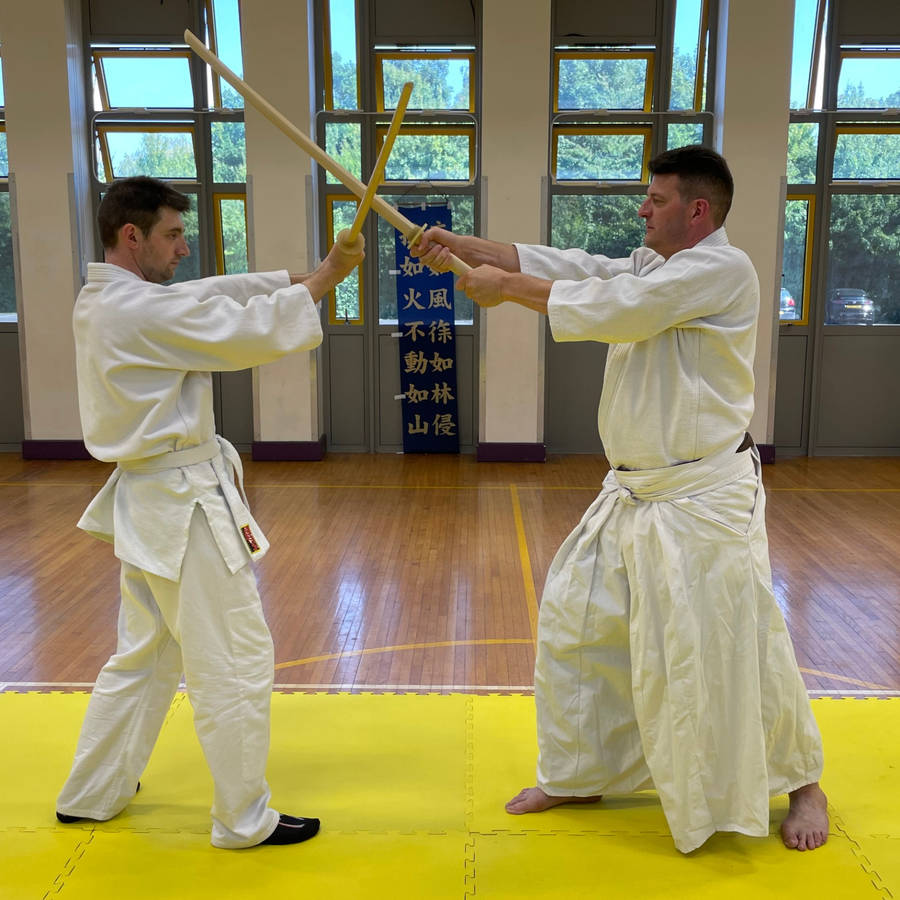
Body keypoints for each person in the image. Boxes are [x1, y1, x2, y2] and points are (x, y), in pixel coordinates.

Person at [411, 146, 828, 854]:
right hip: (632, 490)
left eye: (656, 199)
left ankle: (803, 781)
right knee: (580, 620)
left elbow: (622, 308)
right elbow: (579, 267)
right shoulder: (653, 264)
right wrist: (464, 246)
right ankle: (580, 771)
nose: (643, 209)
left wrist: (505, 287)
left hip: (700, 496)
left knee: (729, 644)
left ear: (698, 211)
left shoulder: (723, 270)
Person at [55, 176, 363, 849]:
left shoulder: (107, 299)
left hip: (151, 505)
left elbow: (211, 294)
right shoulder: (138, 313)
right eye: (172, 234)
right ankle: (243, 819)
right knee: (233, 658)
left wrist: (305, 272)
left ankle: (92, 790)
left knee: (144, 657)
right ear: (131, 236)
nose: (184, 247)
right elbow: (239, 328)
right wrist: (327, 280)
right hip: (183, 508)